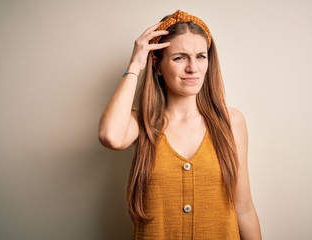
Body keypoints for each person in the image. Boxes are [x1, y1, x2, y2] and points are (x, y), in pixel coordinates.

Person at [99, 10, 262, 240]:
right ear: (157, 65)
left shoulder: (231, 122)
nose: (193, 68)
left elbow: (244, 208)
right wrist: (136, 64)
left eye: (200, 56)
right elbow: (110, 136)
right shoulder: (141, 122)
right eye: (179, 57)